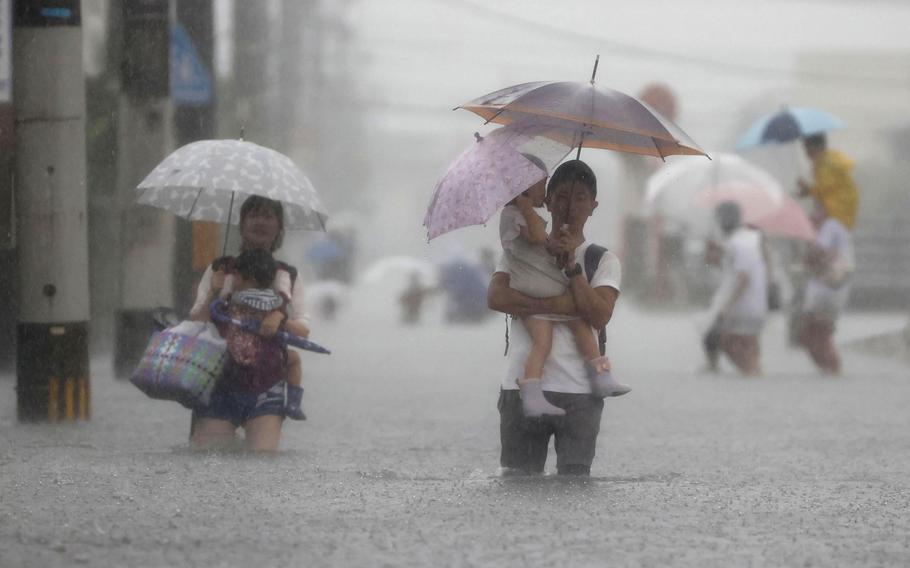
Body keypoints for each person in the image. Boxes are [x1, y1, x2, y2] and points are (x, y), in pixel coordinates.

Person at [488, 159, 622, 476]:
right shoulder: (518, 250)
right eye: (561, 196)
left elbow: (600, 314)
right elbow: (496, 297)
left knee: (575, 487)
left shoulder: (601, 259)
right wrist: (561, 304)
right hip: (521, 391)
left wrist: (572, 269)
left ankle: (605, 375)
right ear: (546, 201)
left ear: (593, 206)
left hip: (580, 395)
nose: (569, 206)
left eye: (580, 199)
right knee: (517, 486)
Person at [188, 196, 310, 452]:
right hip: (218, 383)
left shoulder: (288, 275)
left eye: (268, 216)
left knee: (262, 458)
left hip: (267, 385)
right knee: (208, 459)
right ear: (242, 223)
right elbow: (195, 323)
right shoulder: (220, 270)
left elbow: (303, 331)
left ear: (279, 227)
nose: (261, 222)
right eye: (254, 215)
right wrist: (212, 292)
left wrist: (281, 319)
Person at [221, 249, 307, 420]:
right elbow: (293, 320)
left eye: (236, 276)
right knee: (294, 358)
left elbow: (219, 311)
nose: (233, 280)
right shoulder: (274, 301)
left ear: (248, 278)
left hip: (234, 357)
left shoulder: (234, 298)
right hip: (264, 360)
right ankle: (293, 403)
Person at [702, 201, 769, 376]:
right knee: (748, 347)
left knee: (719, 338)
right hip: (754, 306)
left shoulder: (740, 242)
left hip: (742, 307)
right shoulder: (746, 239)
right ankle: (753, 373)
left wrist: (726, 307)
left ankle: (750, 372)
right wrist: (716, 253)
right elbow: (729, 267)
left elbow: (743, 277)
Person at [798, 200, 854, 375]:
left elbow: (820, 253)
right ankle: (828, 370)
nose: (813, 213)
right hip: (825, 289)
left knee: (819, 333)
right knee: (811, 334)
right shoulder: (831, 228)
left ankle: (832, 369)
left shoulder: (830, 226)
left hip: (828, 290)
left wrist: (808, 234)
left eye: (818, 209)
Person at [797, 133, 859, 231]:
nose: (806, 152)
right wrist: (808, 189)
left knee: (811, 233)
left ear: (817, 147)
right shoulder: (827, 159)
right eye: (805, 148)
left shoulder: (825, 163)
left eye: (808, 148)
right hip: (841, 212)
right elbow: (827, 188)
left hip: (836, 213)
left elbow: (824, 190)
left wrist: (808, 190)